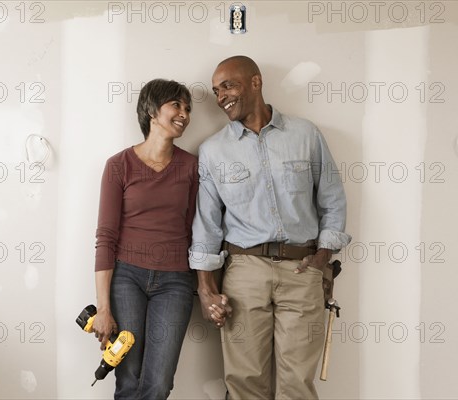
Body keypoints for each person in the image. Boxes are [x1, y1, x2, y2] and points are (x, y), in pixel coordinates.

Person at [190, 56, 351, 399]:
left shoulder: (305, 134)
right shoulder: (213, 151)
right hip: (243, 273)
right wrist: (206, 289)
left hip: (303, 270)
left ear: (256, 82)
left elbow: (333, 198)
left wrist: (322, 258)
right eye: (217, 91)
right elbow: (206, 224)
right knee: (246, 382)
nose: (221, 98)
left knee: (297, 384)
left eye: (228, 86)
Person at [92, 79, 198, 400]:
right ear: (152, 111)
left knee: (159, 383)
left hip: (176, 282)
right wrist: (103, 308)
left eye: (188, 108)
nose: (184, 114)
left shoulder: (191, 166)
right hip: (127, 279)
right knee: (128, 378)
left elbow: (197, 231)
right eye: (176, 105)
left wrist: (208, 285)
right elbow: (105, 238)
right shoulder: (118, 166)